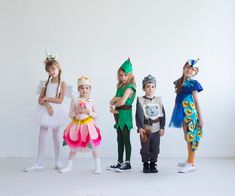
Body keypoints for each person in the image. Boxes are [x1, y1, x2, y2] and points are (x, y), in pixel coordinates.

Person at [24, 50, 66, 172]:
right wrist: (47, 104)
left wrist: (47, 99)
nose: (51, 72)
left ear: (58, 68)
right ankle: (39, 162)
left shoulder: (62, 83)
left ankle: (58, 161)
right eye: (48, 70)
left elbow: (60, 100)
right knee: (41, 136)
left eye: (52, 69)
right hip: (46, 110)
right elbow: (39, 99)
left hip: (57, 111)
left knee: (56, 137)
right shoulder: (45, 83)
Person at [60, 76, 102, 174]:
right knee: (73, 148)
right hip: (76, 126)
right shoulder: (75, 100)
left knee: (93, 147)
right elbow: (70, 115)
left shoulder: (92, 101)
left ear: (90, 89)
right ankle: (69, 166)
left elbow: (97, 115)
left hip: (88, 126)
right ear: (78, 89)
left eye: (87, 88)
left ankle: (98, 167)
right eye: (82, 88)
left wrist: (89, 112)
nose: (84, 90)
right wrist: (76, 111)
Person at [169, 59, 204, 173]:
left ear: (195, 72)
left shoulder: (193, 84)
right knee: (187, 137)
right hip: (181, 112)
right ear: (184, 68)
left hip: (190, 113)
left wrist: (201, 117)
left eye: (192, 69)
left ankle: (191, 163)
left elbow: (196, 101)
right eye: (188, 67)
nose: (190, 70)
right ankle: (189, 159)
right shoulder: (179, 82)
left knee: (191, 137)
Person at [107, 58, 136, 172]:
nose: (123, 77)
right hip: (118, 114)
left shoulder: (130, 87)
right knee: (119, 139)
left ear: (130, 75)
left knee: (125, 139)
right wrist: (116, 101)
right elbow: (111, 101)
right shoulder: (120, 87)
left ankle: (127, 162)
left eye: (125, 75)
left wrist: (116, 100)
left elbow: (121, 102)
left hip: (125, 114)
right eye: (121, 75)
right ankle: (119, 162)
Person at [136, 75, 165, 173]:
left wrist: (162, 127)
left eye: (153, 86)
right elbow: (138, 115)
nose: (150, 89)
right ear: (143, 88)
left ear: (155, 88)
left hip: (156, 129)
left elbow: (162, 115)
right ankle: (145, 164)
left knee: (155, 148)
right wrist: (140, 127)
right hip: (146, 129)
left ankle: (153, 164)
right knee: (145, 148)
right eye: (147, 86)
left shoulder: (158, 100)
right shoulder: (140, 100)